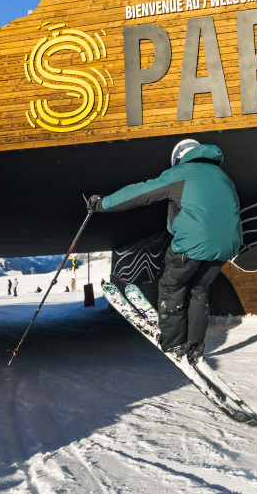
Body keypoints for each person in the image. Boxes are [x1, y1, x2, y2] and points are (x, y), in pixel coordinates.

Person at [88, 138, 242, 365]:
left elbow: (140, 193)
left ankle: (174, 343)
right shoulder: (224, 178)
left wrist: (102, 203)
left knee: (172, 287)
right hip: (226, 246)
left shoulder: (182, 173)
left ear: (178, 158)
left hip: (192, 244)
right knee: (199, 289)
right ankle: (195, 345)